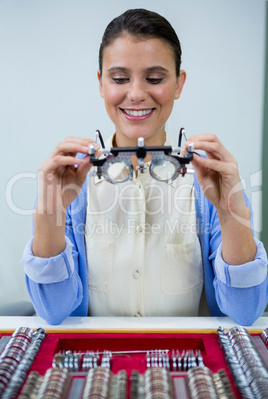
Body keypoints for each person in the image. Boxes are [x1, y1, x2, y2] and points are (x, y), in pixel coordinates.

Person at [22, 8, 268, 325]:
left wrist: (231, 210)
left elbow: (246, 311)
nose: (136, 94)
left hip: (188, 366)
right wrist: (47, 215)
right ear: (101, 83)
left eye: (154, 79)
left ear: (179, 84)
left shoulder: (209, 181)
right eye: (120, 78)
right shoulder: (72, 183)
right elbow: (55, 312)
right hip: (100, 366)